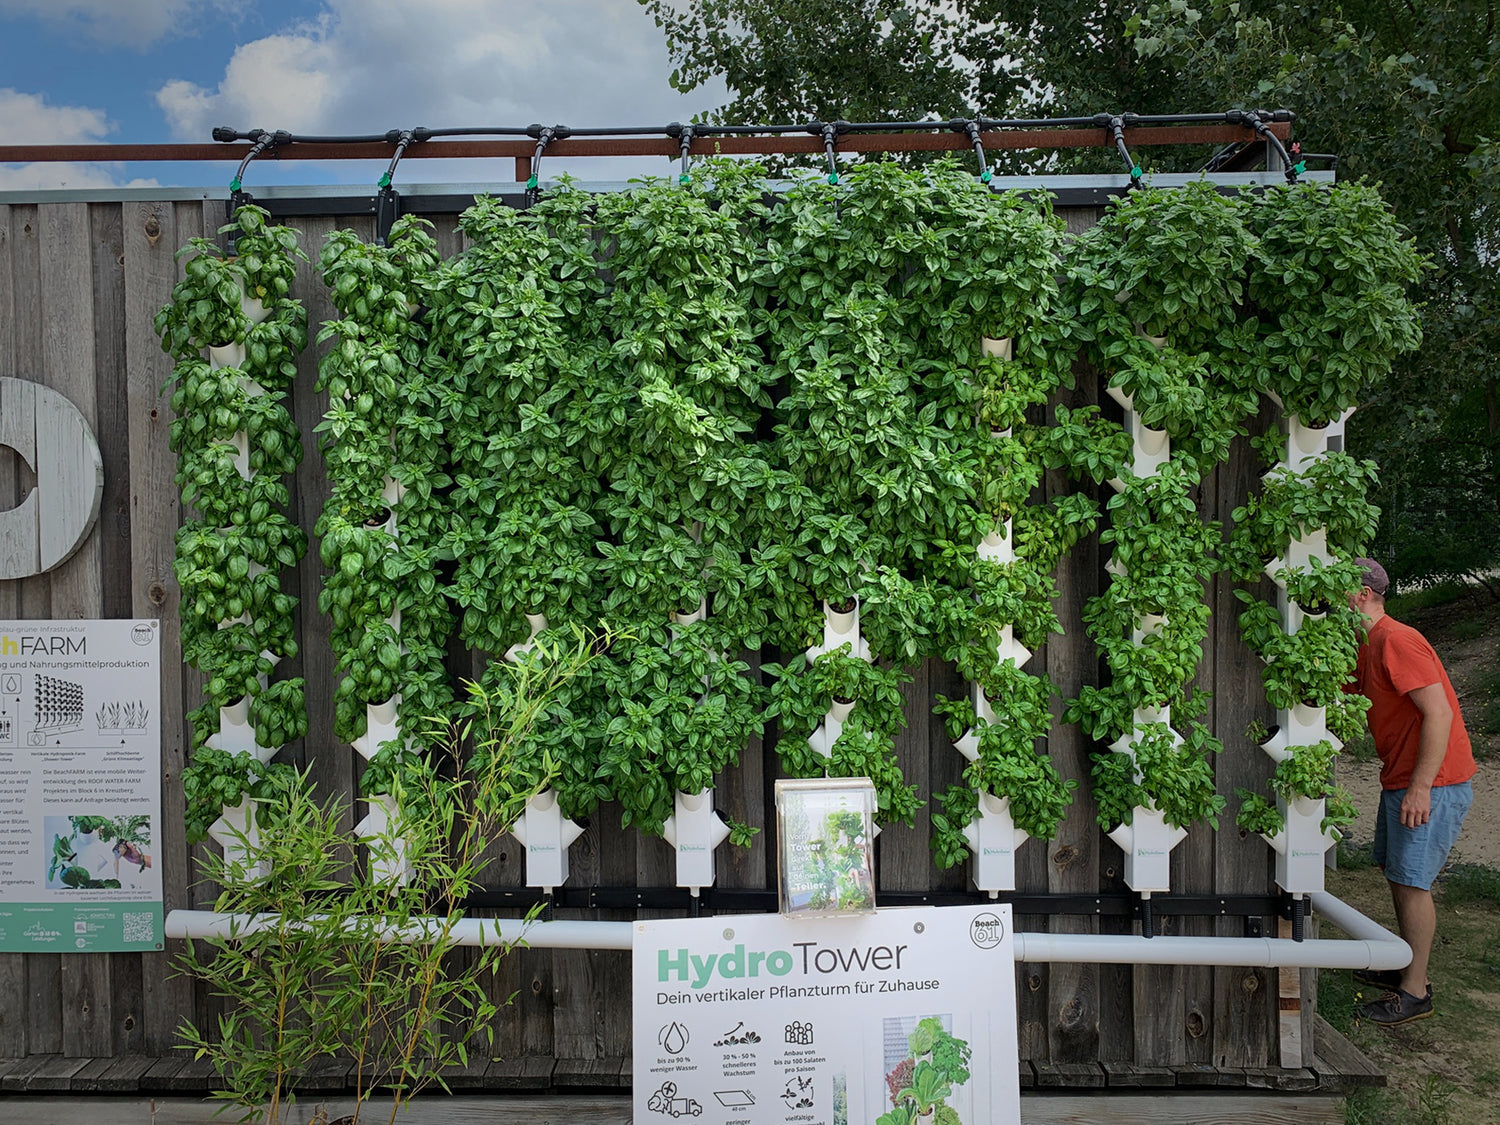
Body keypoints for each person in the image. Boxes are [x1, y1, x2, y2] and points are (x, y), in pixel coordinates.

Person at [1347, 557, 1476, 1027]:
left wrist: (1421, 787)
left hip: (1430, 783)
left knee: (1411, 882)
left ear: (1362, 593)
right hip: (1401, 775)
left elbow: (1438, 713)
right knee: (1397, 872)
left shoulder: (1397, 639)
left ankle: (1415, 991)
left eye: (1339, 585)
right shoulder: (1365, 642)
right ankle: (1405, 966)